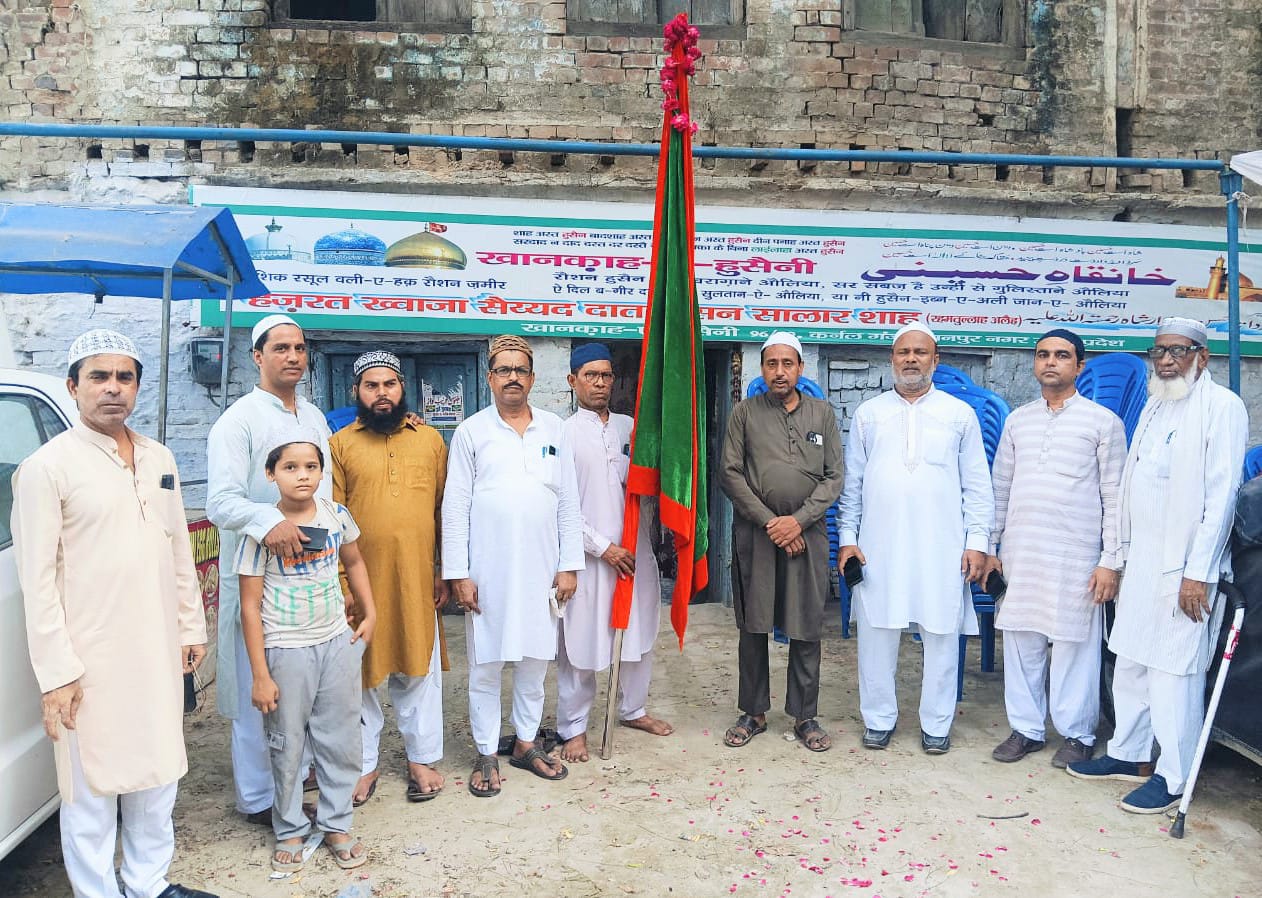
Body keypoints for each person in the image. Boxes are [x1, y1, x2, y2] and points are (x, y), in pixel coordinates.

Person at [13, 329, 215, 898]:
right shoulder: (46, 468)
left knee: (159, 770)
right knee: (90, 787)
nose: (112, 388)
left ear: (137, 388)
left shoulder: (158, 457)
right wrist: (58, 673)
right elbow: (37, 582)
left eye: (125, 377)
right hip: (89, 658)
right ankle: (97, 891)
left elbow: (177, 548)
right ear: (73, 387)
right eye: (98, 376)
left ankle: (148, 882)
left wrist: (190, 627)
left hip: (157, 646)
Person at [1067, 317, 1247, 813]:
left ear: (1202, 357)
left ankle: (1173, 775)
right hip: (1142, 560)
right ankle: (1129, 754)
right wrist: (1118, 558)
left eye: (1178, 351)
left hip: (1185, 569)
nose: (1166, 360)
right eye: (1159, 351)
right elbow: (1133, 484)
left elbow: (1222, 497)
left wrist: (1198, 573)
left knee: (1172, 672)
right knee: (1130, 661)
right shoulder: (1155, 402)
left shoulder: (1222, 407)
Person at [838, 322, 993, 754]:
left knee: (941, 632)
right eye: (903, 352)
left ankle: (937, 724)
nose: (911, 359)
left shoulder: (958, 415)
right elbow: (853, 485)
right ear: (892, 359)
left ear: (935, 360)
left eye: (920, 352)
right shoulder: (869, 414)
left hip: (941, 545)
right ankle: (878, 719)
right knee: (876, 633)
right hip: (879, 545)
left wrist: (977, 542)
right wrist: (848, 537)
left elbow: (977, 485)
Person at [442, 334, 584, 796]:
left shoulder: (553, 428)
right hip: (488, 570)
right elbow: (455, 506)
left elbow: (568, 501)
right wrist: (458, 573)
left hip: (542, 568)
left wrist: (569, 565)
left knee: (535, 662)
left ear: (532, 378)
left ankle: (525, 743)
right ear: (490, 378)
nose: (512, 378)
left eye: (520, 370)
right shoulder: (472, 432)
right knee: (486, 664)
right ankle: (486, 751)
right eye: (503, 370)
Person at [206, 314, 331, 825]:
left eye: (299, 348)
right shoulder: (237, 421)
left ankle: (293, 783)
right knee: (256, 688)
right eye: (280, 348)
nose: (293, 356)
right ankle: (259, 798)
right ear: (257, 357)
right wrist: (268, 522)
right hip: (257, 573)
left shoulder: (314, 417)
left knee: (299, 685)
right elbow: (220, 502)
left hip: (310, 573)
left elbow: (324, 497)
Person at [236, 430, 376, 872]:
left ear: (322, 472)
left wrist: (370, 612)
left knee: (340, 739)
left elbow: (354, 561)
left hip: (336, 641)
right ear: (270, 474)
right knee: (287, 742)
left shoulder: (336, 515)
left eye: (311, 467)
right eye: (290, 467)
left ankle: (337, 823)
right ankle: (290, 828)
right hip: (286, 649)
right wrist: (261, 674)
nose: (302, 476)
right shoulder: (261, 531)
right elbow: (249, 606)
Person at [987, 329, 1126, 768]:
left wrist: (1110, 561)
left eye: (1062, 355)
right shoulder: (1018, 420)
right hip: (1022, 549)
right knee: (1021, 639)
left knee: (1073, 644)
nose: (1050, 362)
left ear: (1079, 366)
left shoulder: (1103, 422)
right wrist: (991, 547)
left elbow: (1116, 497)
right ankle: (1026, 729)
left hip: (1076, 554)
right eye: (1043, 354)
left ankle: (1077, 734)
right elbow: (1000, 487)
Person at [330, 350, 450, 803]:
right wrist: (343, 583)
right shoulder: (339, 444)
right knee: (357, 676)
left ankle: (422, 758)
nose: (381, 393)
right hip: (360, 583)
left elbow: (443, 510)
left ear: (403, 388)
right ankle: (364, 765)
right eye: (371, 386)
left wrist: (443, 570)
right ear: (356, 392)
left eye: (389, 385)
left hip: (417, 577)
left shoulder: (430, 440)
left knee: (420, 668)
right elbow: (331, 518)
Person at [718, 332, 844, 752]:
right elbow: (730, 473)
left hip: (808, 536)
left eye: (787, 363)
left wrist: (798, 522)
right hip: (757, 534)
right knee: (754, 624)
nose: (779, 372)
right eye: (771, 364)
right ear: (762, 369)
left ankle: (805, 716)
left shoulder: (822, 414)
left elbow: (834, 477)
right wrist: (773, 523)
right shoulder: (745, 413)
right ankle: (753, 712)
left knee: (806, 624)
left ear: (800, 368)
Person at [557, 343, 672, 764]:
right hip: (589, 558)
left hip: (635, 553)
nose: (600, 383)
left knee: (640, 633)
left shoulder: (630, 428)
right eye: (591, 375)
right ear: (573, 381)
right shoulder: (562, 434)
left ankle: (633, 709)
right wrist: (602, 548)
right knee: (580, 642)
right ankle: (573, 728)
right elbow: (561, 504)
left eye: (606, 375)